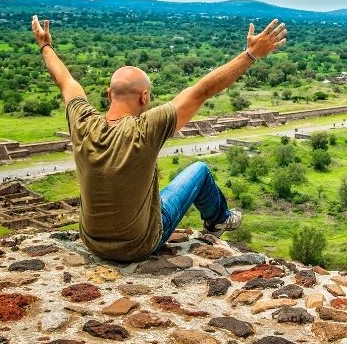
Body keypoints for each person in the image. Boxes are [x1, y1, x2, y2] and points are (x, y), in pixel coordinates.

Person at [31, 14, 286, 263]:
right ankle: (219, 219)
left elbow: (65, 80)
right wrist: (251, 54)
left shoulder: (83, 123)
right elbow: (203, 90)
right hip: (140, 244)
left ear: (109, 94)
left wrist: (45, 45)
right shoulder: (146, 128)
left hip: (92, 242)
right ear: (144, 97)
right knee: (199, 171)